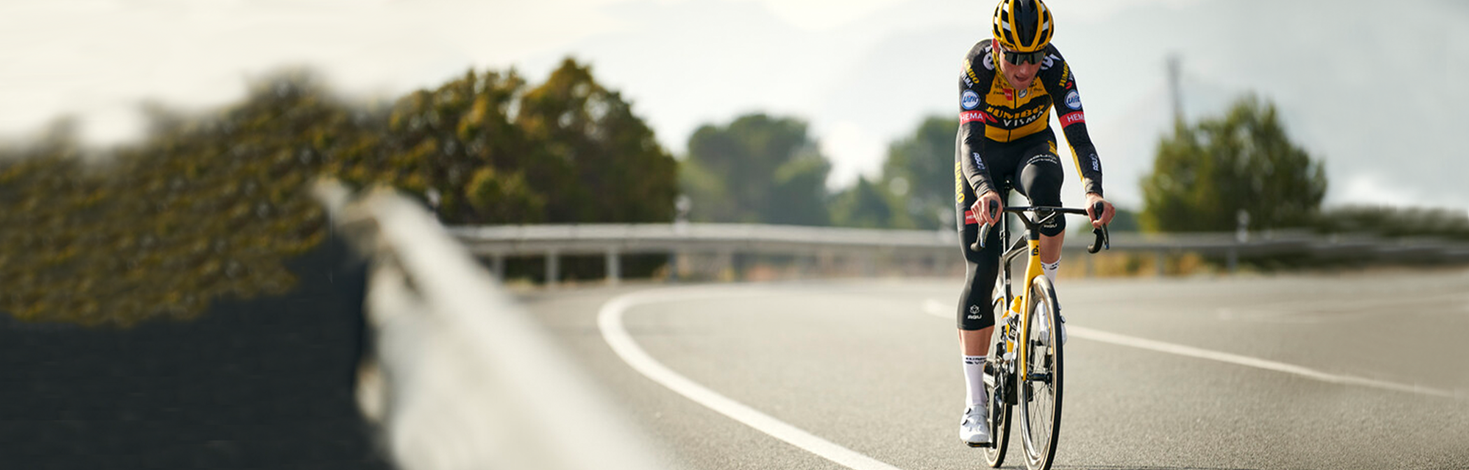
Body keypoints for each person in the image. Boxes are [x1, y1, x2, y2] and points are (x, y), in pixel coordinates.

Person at [953, 0, 1115, 447]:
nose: (1024, 69)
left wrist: (1093, 191)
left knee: (1047, 193)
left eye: (1034, 57)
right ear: (997, 47)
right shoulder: (976, 67)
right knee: (982, 268)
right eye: (1014, 57)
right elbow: (969, 142)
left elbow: (1078, 136)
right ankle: (974, 405)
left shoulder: (1056, 70)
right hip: (982, 157)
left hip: (1032, 148)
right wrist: (984, 190)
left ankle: (1045, 300)